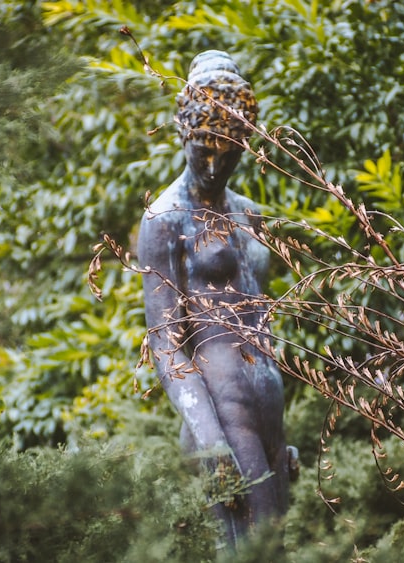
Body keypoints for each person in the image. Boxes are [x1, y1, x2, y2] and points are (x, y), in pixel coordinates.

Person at [138, 50, 290, 548]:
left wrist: (279, 430)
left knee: (276, 550)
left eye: (228, 150)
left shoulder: (251, 215)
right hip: (223, 417)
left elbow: (257, 315)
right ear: (184, 132)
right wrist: (211, 441)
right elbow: (167, 345)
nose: (214, 162)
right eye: (204, 147)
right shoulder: (166, 220)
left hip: (266, 410)